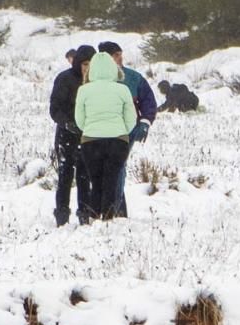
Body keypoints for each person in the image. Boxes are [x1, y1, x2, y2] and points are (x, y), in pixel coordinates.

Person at [97, 41, 158, 217]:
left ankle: (115, 210)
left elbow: (148, 101)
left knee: (118, 167)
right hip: (102, 128)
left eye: (120, 54)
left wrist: (145, 122)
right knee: (105, 168)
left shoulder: (133, 77)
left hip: (128, 129)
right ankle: (111, 207)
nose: (120, 58)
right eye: (116, 55)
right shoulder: (95, 79)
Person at [74, 52, 137, 220]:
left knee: (95, 180)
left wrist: (91, 129)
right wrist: (121, 131)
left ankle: (94, 215)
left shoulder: (83, 90)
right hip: (117, 140)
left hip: (91, 141)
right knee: (111, 180)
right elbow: (132, 118)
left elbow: (79, 120)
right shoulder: (123, 89)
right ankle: (108, 217)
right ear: (113, 69)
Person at [49, 45, 96, 226]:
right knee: (65, 175)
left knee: (85, 176)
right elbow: (54, 109)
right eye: (85, 64)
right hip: (66, 135)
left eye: (91, 64)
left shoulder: (95, 82)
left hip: (87, 135)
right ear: (78, 63)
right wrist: (68, 123)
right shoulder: (65, 79)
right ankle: (62, 214)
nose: (87, 68)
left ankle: (84, 213)